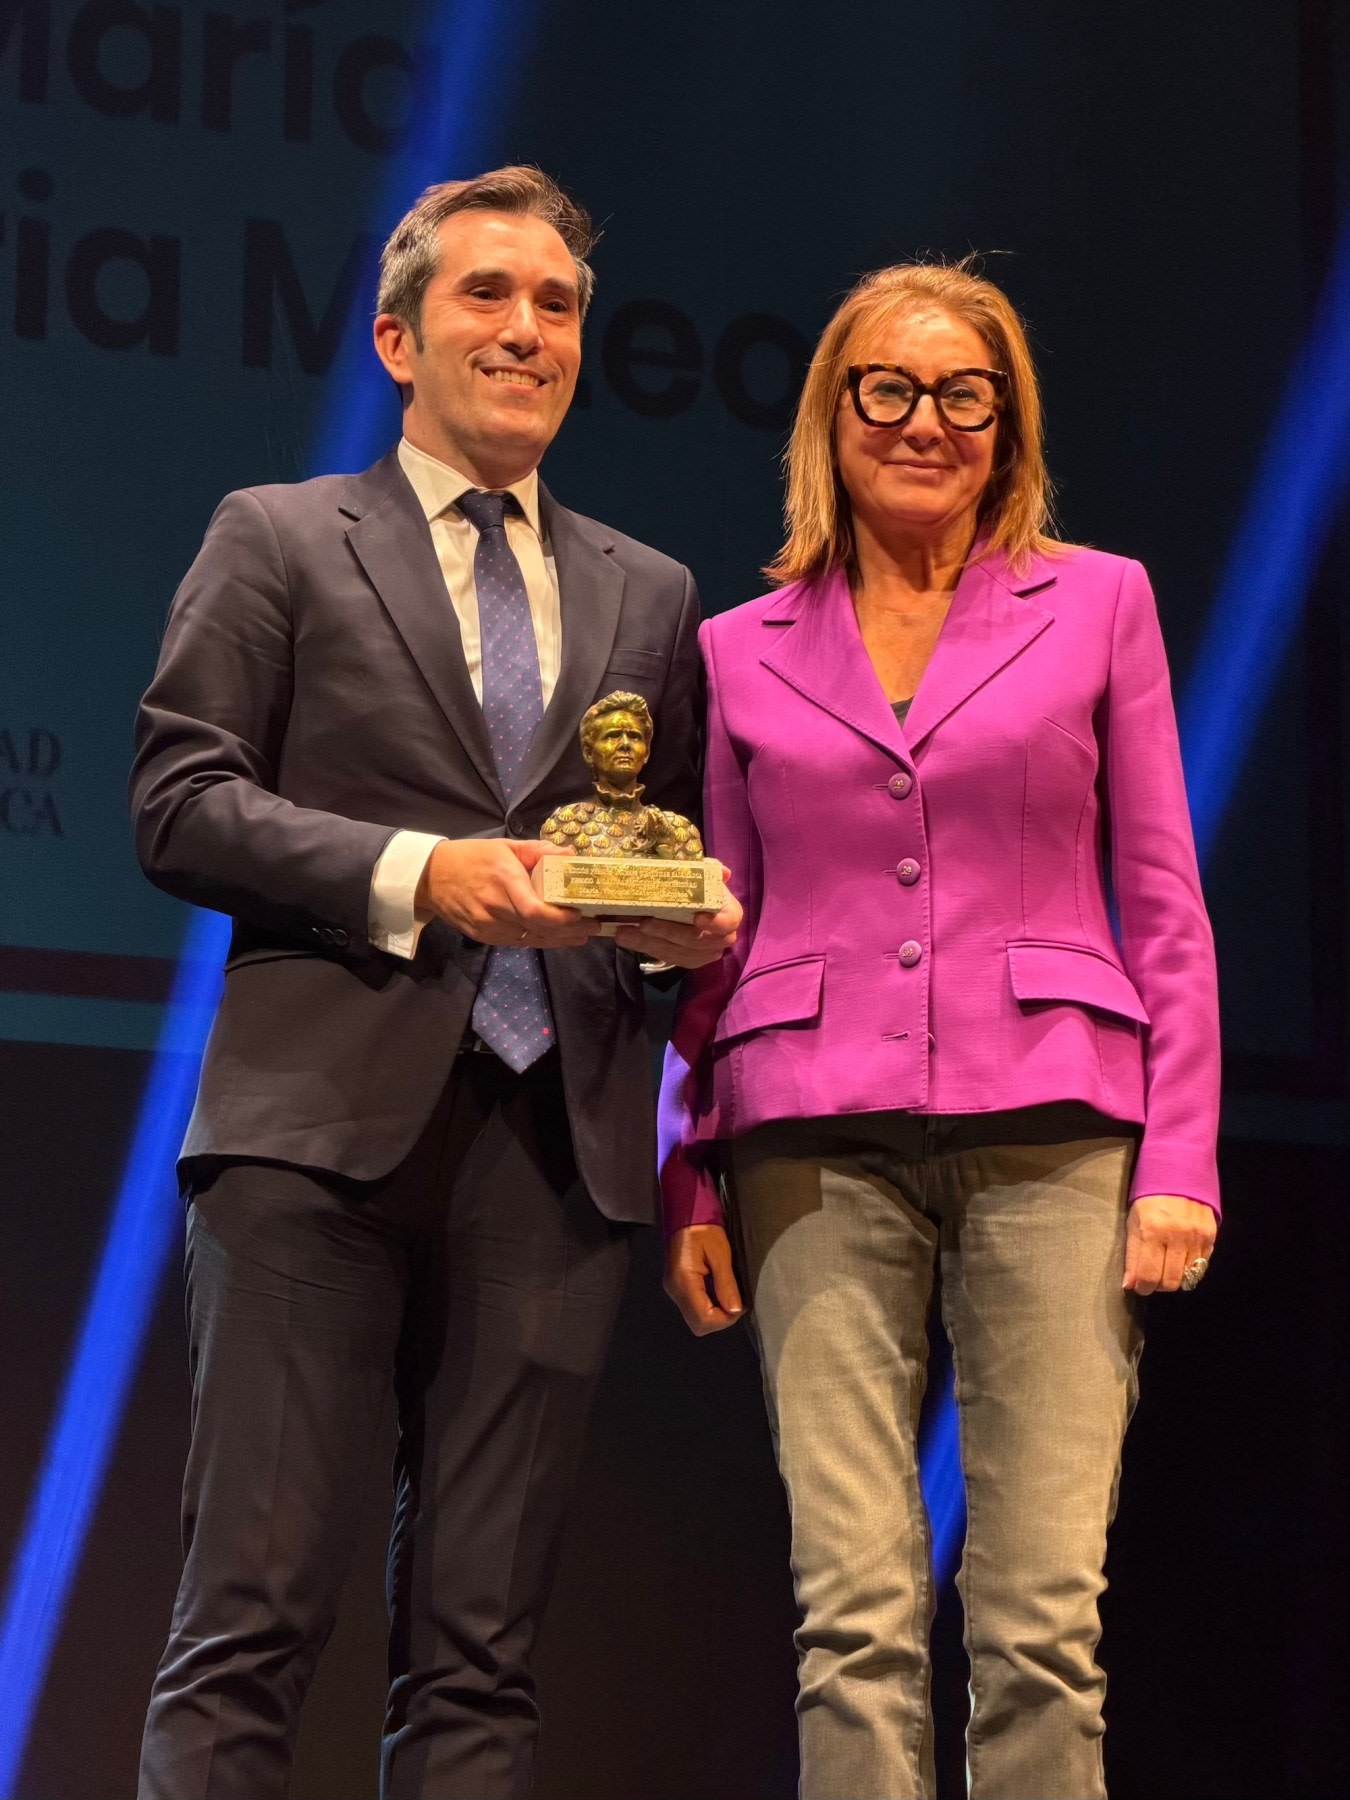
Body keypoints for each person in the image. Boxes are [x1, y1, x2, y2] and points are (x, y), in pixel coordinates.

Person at [131, 165, 738, 1800]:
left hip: (557, 1152)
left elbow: (653, 844)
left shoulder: (650, 592)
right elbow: (178, 802)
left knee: (484, 1647)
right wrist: (419, 871)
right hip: (312, 1138)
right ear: (399, 339)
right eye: (487, 296)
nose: (526, 330)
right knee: (251, 1613)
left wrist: (680, 927)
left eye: (556, 306)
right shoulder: (277, 538)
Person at [658, 261, 1219, 1800]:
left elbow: (1161, 893)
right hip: (803, 1136)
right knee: (850, 1613)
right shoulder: (734, 644)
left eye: (963, 394)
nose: (925, 422)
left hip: (1054, 1123)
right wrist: (685, 1160)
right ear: (832, 415)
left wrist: (1180, 1158)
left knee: (1039, 1615)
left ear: (1005, 421)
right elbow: (719, 922)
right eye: (887, 391)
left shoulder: (1099, 600)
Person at [541, 691, 705, 858]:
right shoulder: (567, 825)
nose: (625, 744)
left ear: (646, 752)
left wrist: (665, 848)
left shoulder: (676, 830)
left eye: (634, 736)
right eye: (613, 735)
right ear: (589, 752)